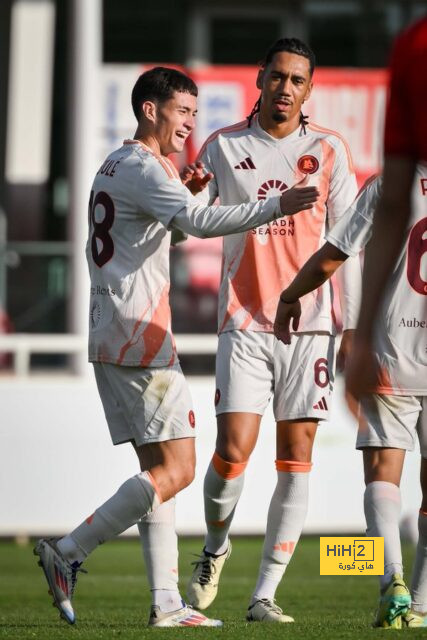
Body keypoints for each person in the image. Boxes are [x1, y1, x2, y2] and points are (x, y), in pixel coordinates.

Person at [33, 67, 319, 629]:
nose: (191, 123)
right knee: (182, 468)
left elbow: (159, 228)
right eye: (183, 111)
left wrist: (181, 200)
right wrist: (276, 206)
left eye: (194, 112)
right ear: (149, 111)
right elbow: (201, 222)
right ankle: (68, 552)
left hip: (112, 330)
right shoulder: (142, 165)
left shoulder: (116, 164)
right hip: (140, 332)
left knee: (156, 470)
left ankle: (166, 603)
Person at [184, 38, 361, 623]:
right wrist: (185, 193)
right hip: (243, 321)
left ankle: (264, 595)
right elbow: (193, 219)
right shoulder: (223, 146)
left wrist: (353, 327)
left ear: (309, 90)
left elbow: (349, 248)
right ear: (260, 79)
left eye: (298, 81)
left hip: (310, 330)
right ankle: (214, 549)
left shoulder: (330, 150)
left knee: (297, 455)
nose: (286, 89)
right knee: (232, 453)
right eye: (278, 76)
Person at [274, 170, 427, 628]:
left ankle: (391, 583)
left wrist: (290, 294)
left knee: (384, 473)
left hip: (391, 351)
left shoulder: (390, 185)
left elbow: (335, 254)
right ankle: (420, 606)